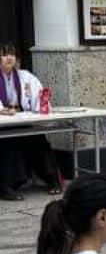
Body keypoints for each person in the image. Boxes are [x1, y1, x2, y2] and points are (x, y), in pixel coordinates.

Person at [0, 43, 61, 201]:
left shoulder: (25, 76)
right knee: (8, 143)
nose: (9, 58)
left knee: (38, 140)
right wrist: (3, 110)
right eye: (5, 54)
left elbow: (38, 96)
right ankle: (7, 186)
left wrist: (40, 106)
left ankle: (52, 179)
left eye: (12, 54)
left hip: (22, 119)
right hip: (3, 124)